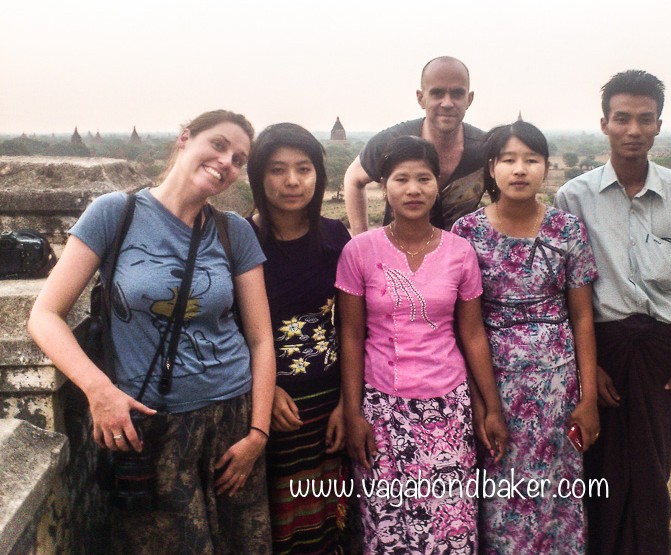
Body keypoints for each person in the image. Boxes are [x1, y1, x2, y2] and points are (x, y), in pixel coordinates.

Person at [28, 110, 276, 554]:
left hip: (232, 420)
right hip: (152, 425)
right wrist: (98, 390)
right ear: (184, 139)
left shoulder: (232, 230)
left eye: (238, 158)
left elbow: (260, 339)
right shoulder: (115, 214)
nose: (226, 162)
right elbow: (45, 314)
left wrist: (257, 434)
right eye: (218, 145)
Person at [554, 70, 671, 554]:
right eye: (622, 118)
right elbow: (565, 290)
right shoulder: (575, 197)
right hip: (601, 343)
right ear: (604, 123)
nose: (633, 130)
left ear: (659, 125)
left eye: (645, 120)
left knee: (651, 463)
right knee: (598, 463)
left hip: (660, 346)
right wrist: (589, 370)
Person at [336, 136, 508, 554]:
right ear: (383, 186)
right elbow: (352, 335)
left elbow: (471, 334)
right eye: (401, 179)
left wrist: (491, 408)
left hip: (447, 410)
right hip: (381, 410)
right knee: (389, 527)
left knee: (450, 525)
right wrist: (353, 411)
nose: (413, 190)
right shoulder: (359, 252)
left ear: (437, 185)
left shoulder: (460, 252)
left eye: (424, 179)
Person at [452, 121, 600, 554]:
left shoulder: (567, 230)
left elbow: (582, 317)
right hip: (494, 382)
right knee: (501, 491)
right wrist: (483, 404)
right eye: (509, 160)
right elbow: (468, 326)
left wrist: (588, 398)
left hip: (558, 387)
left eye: (531, 160)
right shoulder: (467, 234)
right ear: (491, 168)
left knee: (560, 491)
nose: (520, 170)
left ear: (546, 167)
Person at [246, 123, 353, 554]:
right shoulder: (240, 238)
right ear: (258, 176)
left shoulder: (335, 237)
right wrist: (267, 393)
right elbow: (234, 329)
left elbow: (348, 327)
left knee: (327, 518)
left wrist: (348, 402)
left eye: (303, 169)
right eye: (277, 170)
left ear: (318, 175)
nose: (292, 181)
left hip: (327, 400)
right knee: (277, 518)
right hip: (267, 404)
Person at [342, 56, 485, 235]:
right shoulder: (392, 142)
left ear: (469, 99)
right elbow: (353, 178)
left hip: (460, 258)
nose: (447, 103)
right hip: (395, 255)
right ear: (421, 98)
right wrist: (360, 242)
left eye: (456, 94)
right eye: (437, 93)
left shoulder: (485, 150)